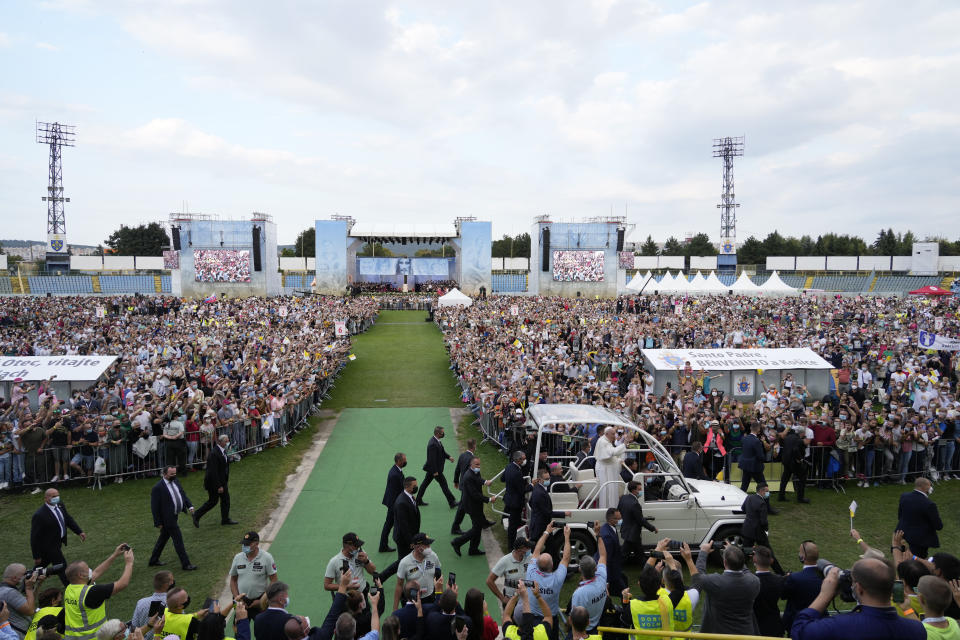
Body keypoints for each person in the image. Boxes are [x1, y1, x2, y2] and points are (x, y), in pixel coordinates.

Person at [791, 558, 926, 640]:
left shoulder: (837, 626)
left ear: (860, 588)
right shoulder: (917, 630)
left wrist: (824, 596)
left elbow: (800, 631)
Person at [680, 540, 760, 636]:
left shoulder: (716, 582)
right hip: (745, 635)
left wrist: (702, 553)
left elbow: (698, 579)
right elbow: (745, 570)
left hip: (719, 635)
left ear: (724, 562)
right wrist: (733, 552)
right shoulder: (754, 581)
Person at [62, 544, 135, 640]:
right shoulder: (92, 592)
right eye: (87, 569)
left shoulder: (70, 588)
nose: (90, 570)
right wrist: (129, 563)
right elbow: (122, 584)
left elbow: (96, 573)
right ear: (81, 575)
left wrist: (114, 555)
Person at [30, 489, 86, 586]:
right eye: (53, 496)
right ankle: (70, 586)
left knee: (41, 566)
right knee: (62, 567)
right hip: (49, 546)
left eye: (57, 495)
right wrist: (36, 556)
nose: (56, 498)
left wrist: (79, 531)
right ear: (46, 498)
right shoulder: (39, 515)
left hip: (57, 543)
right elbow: (34, 537)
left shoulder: (60, 505)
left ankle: (28, 581)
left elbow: (67, 519)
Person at [149, 466, 197, 571]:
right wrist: (158, 523)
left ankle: (153, 560)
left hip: (174, 516)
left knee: (163, 538)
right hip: (167, 519)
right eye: (172, 474)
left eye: (175, 473)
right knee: (178, 539)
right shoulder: (157, 488)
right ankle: (186, 564)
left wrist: (190, 506)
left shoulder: (175, 481)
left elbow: (182, 494)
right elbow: (154, 507)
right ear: (164, 474)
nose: (174, 476)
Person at [525, 523, 570, 624]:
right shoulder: (557, 579)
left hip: (531, 619)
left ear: (537, 564)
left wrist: (547, 532)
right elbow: (566, 558)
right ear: (552, 565)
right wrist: (567, 537)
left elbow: (536, 551)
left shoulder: (531, 572)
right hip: (550, 620)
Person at [379, 477, 420, 582]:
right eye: (414, 486)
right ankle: (381, 577)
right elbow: (403, 525)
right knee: (402, 562)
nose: (416, 487)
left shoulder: (409, 498)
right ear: (407, 487)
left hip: (407, 536)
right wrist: (411, 541)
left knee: (405, 561)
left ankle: (382, 577)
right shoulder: (402, 502)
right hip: (404, 539)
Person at [230, 532, 278, 618]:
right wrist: (237, 598)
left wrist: (262, 601)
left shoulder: (267, 557)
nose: (245, 546)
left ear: (257, 543)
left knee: (263, 629)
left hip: (260, 601)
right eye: (244, 543)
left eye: (248, 544)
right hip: (241, 601)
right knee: (239, 629)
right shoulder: (238, 558)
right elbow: (233, 580)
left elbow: (274, 581)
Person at [193, 435, 237, 527]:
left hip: (222, 481)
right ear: (220, 442)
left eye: (227, 440)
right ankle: (196, 515)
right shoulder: (214, 453)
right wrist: (219, 486)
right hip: (214, 483)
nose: (227, 442)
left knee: (225, 499)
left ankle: (225, 519)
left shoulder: (222, 451)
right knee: (213, 501)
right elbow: (213, 472)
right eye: (226, 441)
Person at [739, 483, 783, 573]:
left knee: (745, 552)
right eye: (767, 491)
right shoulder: (762, 503)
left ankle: (737, 570)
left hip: (747, 530)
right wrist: (766, 530)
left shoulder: (749, 497)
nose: (768, 493)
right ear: (762, 491)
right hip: (758, 532)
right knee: (768, 553)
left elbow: (743, 508)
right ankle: (781, 573)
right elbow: (763, 521)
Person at [392, 533, 442, 611]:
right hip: (413, 601)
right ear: (417, 547)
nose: (429, 547)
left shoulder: (433, 556)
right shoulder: (404, 563)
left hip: (430, 598)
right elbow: (399, 585)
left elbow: (439, 575)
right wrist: (395, 609)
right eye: (427, 545)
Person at [895, 477, 942, 558]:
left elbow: (900, 515)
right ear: (924, 487)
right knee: (917, 564)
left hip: (903, 534)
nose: (930, 487)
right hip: (919, 540)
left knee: (902, 558)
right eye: (929, 485)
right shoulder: (929, 504)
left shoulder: (904, 496)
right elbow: (938, 526)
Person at [781, 540, 823, 631]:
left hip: (796, 624)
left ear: (803, 557)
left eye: (799, 552)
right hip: (818, 623)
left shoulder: (794, 578)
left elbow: (783, 595)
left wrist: (785, 579)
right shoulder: (825, 577)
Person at [620, 564, 673, 635]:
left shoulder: (633, 605)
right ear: (660, 584)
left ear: (639, 584)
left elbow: (625, 621)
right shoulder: (668, 601)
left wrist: (625, 600)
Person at [571, 530, 608, 634]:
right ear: (596, 569)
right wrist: (598, 535)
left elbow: (574, 619)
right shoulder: (601, 577)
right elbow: (603, 555)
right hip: (597, 626)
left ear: (580, 570)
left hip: (582, 631)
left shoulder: (579, 594)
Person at [416, 426, 457, 508]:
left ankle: (418, 500)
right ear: (438, 433)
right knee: (444, 485)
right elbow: (431, 459)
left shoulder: (437, 441)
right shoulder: (433, 444)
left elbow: (442, 452)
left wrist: (449, 457)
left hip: (432, 469)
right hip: (435, 470)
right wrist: (435, 471)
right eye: (442, 433)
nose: (443, 434)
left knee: (425, 483)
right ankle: (452, 502)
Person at [486, 538, 532, 609]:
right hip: (512, 602)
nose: (529, 550)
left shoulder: (530, 557)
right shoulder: (505, 561)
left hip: (528, 600)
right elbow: (489, 581)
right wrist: (502, 598)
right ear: (520, 550)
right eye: (527, 548)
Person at [0, 565, 43, 639]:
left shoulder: (4, 589)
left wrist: (38, 584)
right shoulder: (9, 592)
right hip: (20, 635)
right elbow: (30, 610)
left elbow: (29, 602)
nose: (28, 575)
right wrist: (28, 588)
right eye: (25, 574)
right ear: (14, 578)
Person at [526, 468, 569, 541]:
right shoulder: (540, 493)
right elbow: (547, 513)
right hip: (540, 527)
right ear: (539, 480)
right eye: (546, 479)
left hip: (539, 524)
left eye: (549, 478)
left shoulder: (538, 487)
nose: (548, 480)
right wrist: (564, 513)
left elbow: (531, 502)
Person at [750, 545, 784, 638]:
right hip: (774, 627)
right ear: (771, 561)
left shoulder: (750, 581)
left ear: (754, 560)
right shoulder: (779, 580)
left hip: (755, 627)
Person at [617, 481, 656, 559]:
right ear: (634, 490)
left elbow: (619, 511)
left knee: (639, 554)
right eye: (639, 489)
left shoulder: (624, 498)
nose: (641, 491)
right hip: (632, 534)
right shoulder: (635, 504)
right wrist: (653, 528)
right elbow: (640, 520)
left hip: (628, 532)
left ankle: (646, 568)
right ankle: (614, 569)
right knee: (624, 555)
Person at [130, 571, 174, 639]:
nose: (173, 582)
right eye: (172, 581)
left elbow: (133, 628)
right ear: (166, 585)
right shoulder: (174, 602)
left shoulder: (141, 603)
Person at [915, 575, 960, 639]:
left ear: (921, 599)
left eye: (917, 591)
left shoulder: (922, 633)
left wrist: (907, 610)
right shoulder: (952, 623)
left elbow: (920, 628)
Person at [593, 427, 628, 509]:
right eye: (612, 434)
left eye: (614, 433)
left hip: (606, 469)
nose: (614, 436)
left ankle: (610, 507)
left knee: (609, 490)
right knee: (607, 490)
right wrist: (624, 444)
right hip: (605, 470)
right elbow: (613, 452)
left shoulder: (604, 440)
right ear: (606, 434)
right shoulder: (604, 442)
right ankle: (608, 508)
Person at [379, 453, 406, 553]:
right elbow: (398, 491)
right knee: (393, 524)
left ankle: (383, 546)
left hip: (392, 502)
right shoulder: (395, 474)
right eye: (404, 460)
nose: (405, 462)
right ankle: (384, 545)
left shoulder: (396, 470)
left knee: (389, 524)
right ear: (399, 461)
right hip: (393, 504)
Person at [596, 508, 626, 594]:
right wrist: (606, 580)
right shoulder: (607, 536)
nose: (621, 520)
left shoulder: (610, 527)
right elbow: (606, 559)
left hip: (615, 568)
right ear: (612, 520)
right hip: (612, 572)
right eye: (619, 518)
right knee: (624, 592)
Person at [451, 439, 478, 535]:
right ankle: (455, 527)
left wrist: (456, 481)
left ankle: (482, 522)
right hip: (468, 487)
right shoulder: (472, 459)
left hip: (463, 485)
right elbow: (473, 474)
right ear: (474, 446)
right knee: (465, 507)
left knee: (466, 507)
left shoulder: (462, 455)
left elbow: (457, 469)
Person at [501, 451, 527, 550]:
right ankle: (511, 547)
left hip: (509, 498)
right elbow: (522, 490)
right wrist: (532, 485)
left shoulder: (508, 467)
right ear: (519, 460)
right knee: (513, 526)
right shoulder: (516, 472)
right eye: (523, 459)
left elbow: (502, 479)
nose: (525, 461)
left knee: (512, 521)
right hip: (515, 502)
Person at [778, 426, 810, 504]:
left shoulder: (789, 437)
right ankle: (800, 498)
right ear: (802, 433)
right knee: (802, 479)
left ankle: (781, 496)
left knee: (784, 479)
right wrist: (800, 459)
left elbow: (783, 444)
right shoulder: (798, 440)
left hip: (786, 461)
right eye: (804, 433)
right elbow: (795, 450)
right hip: (794, 463)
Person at [738, 423, 768, 493]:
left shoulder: (744, 439)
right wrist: (763, 459)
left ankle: (740, 501)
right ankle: (766, 503)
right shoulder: (757, 441)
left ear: (751, 428)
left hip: (745, 466)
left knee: (744, 486)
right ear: (758, 430)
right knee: (763, 486)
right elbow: (760, 455)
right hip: (755, 466)